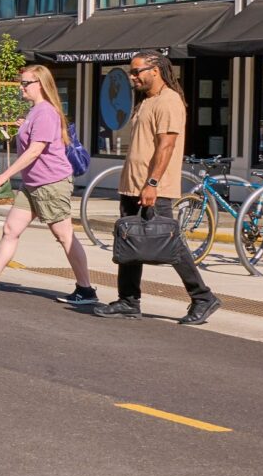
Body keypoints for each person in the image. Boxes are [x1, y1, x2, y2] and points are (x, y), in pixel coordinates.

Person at [90, 51, 219, 325]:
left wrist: (152, 184)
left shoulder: (169, 101)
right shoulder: (146, 101)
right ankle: (128, 300)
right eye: (131, 72)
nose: (132, 76)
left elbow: (167, 146)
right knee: (129, 242)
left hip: (153, 189)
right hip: (132, 186)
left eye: (137, 71)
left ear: (156, 70)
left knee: (171, 244)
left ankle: (202, 297)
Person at [0, 63, 97, 305]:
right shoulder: (36, 112)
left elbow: (35, 151)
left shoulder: (46, 112)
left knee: (65, 237)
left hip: (51, 183)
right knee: (11, 230)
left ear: (39, 85)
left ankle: (86, 289)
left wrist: (5, 175)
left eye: (25, 83)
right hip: (33, 184)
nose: (21, 87)